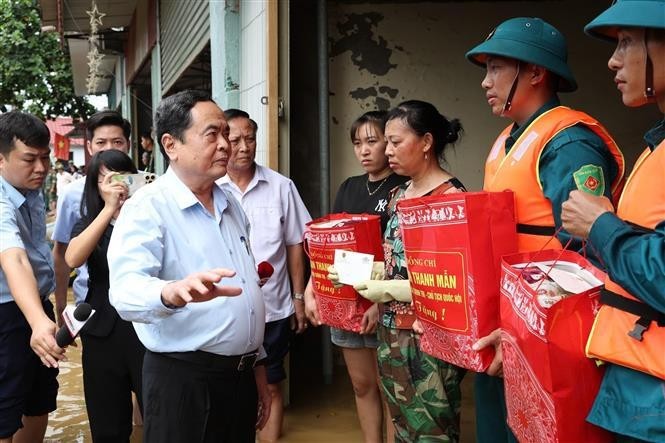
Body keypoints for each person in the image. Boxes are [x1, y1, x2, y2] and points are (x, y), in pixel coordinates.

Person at [464, 17, 626, 442]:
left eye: (496, 68)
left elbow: (583, 256)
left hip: (542, 331)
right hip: (503, 319)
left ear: (535, 72)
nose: (486, 81)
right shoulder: (507, 138)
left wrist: (522, 332)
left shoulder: (567, 142)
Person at [107, 90, 271, 443]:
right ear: (171, 145)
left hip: (240, 378)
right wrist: (169, 292)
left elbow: (246, 293)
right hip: (183, 381)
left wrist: (258, 366)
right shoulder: (148, 207)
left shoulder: (230, 204)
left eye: (226, 133)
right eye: (212, 134)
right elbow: (124, 290)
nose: (226, 144)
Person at [561, 1, 665, 441]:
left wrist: (600, 225)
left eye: (626, 42)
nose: (612, 60)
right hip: (638, 385)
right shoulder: (654, 148)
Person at [347, 100, 467, 442]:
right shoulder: (400, 194)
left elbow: (451, 282)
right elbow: (394, 261)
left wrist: (387, 290)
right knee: (401, 423)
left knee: (431, 429)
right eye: (387, 142)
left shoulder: (451, 200)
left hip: (427, 335)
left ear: (427, 142)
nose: (387, 151)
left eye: (396, 142)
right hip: (389, 331)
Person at [304, 110, 407, 443]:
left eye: (373, 142)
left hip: (384, 304)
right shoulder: (349, 187)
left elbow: (399, 254)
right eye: (357, 143)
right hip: (345, 302)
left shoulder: (402, 189)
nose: (364, 150)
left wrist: (381, 301)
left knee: (390, 389)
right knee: (361, 384)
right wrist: (312, 290)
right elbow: (327, 246)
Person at [217, 109, 311, 442]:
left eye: (250, 138)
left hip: (273, 308)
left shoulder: (280, 186)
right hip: (224, 310)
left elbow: (295, 244)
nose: (244, 146)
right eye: (235, 139)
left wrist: (299, 298)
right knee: (228, 385)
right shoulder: (210, 189)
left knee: (271, 382)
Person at [64, 150, 146, 442]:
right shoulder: (89, 222)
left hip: (148, 328)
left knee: (160, 415)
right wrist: (108, 210)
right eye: (104, 180)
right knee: (107, 423)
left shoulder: (151, 218)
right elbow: (72, 258)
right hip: (102, 332)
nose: (114, 185)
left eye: (120, 177)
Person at [0, 111, 65, 443]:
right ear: (1, 159)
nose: (41, 168)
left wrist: (43, 315)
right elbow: (15, 258)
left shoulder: (31, 188)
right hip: (7, 314)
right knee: (4, 409)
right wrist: (38, 321)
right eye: (29, 159)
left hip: (36, 306)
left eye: (45, 157)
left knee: (40, 399)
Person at [52, 111, 131, 327]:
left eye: (117, 141)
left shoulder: (150, 188)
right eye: (101, 142)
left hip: (142, 304)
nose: (109, 149)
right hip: (91, 304)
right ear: (89, 147)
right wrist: (60, 307)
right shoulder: (72, 194)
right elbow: (62, 253)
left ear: (128, 145)